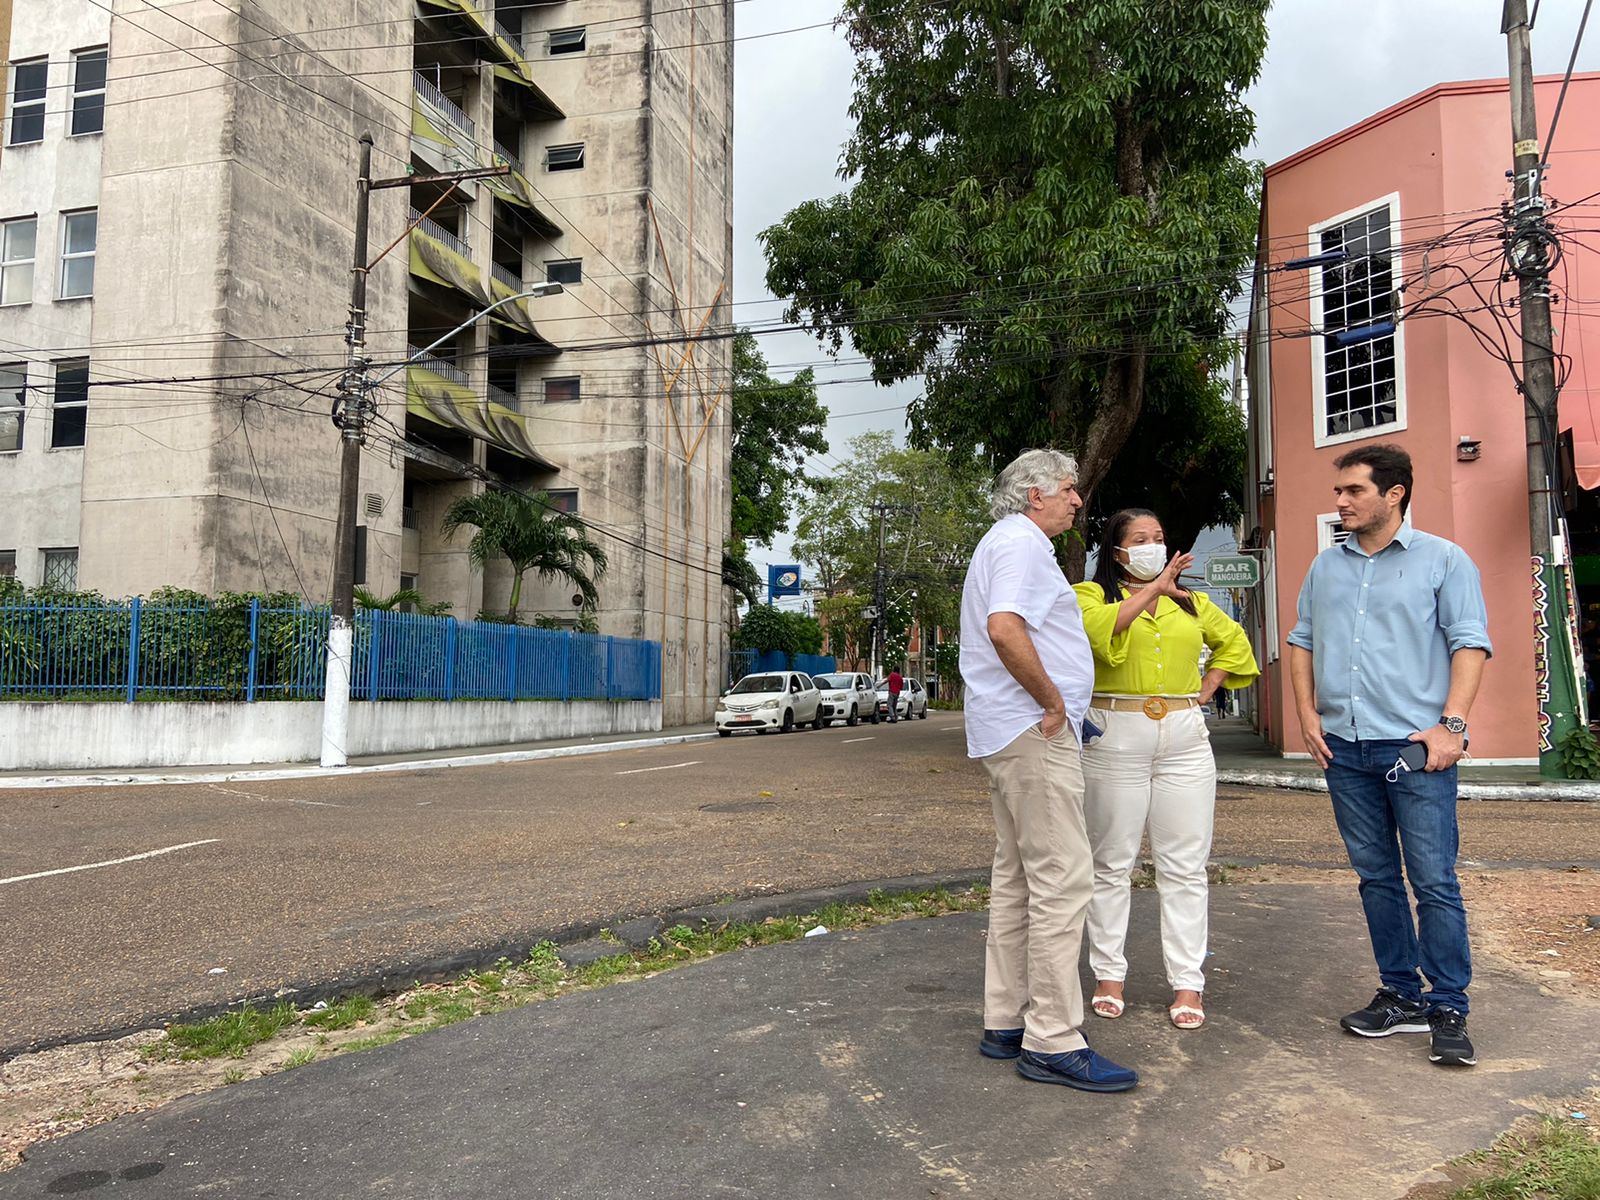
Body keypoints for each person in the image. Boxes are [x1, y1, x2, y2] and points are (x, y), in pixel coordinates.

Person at [1287, 443, 1490, 1068]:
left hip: (1415, 750)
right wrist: (1306, 714)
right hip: (1345, 750)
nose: (1341, 501)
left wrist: (1450, 726)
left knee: (1433, 880)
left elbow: (1470, 644)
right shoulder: (1326, 568)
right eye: (1338, 492)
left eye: (1353, 491)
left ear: (1394, 493)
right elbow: (1301, 642)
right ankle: (1401, 994)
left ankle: (1448, 1005)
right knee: (1376, 878)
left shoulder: (1445, 561)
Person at [959, 448, 1138, 1093]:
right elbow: (1005, 628)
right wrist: (1055, 701)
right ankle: (1054, 1039)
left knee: (1018, 879)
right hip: (1033, 734)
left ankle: (1007, 1021)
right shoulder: (1021, 544)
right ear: (1035, 494)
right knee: (1063, 881)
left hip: (1008, 733)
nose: (1077, 499)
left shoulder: (1007, 542)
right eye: (1069, 488)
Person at [1074, 510, 1259, 1031]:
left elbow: (1235, 644)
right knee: (1111, 862)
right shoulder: (1090, 595)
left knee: (1184, 865)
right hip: (1115, 733)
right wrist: (1155, 588)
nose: (1155, 545)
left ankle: (1188, 982)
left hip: (1183, 735)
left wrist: (1208, 687)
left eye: (1159, 537)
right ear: (1116, 553)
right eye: (1141, 540)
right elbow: (1100, 633)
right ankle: (1109, 974)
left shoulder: (1194, 602)